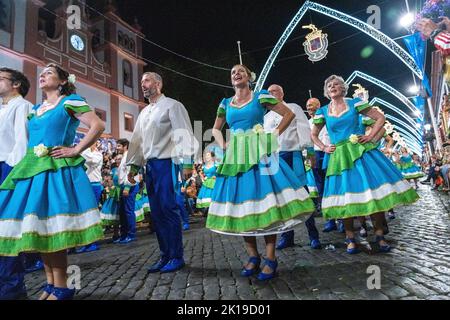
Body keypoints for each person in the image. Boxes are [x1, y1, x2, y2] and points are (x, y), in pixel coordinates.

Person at [0, 63, 105, 300]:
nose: (42, 76)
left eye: (48, 73)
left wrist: (75, 149)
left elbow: (98, 125)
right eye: (41, 74)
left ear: (62, 81)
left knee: (54, 228)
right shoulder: (36, 109)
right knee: (41, 229)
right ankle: (50, 284)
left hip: (55, 170)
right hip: (31, 170)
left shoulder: (70, 101)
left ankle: (64, 286)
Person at [206, 64, 315, 281]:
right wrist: (223, 145)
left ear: (249, 77)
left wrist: (272, 135)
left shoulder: (261, 97)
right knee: (243, 205)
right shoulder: (225, 103)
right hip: (236, 156)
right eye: (233, 72)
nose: (236, 74)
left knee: (266, 204)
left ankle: (271, 258)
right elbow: (216, 128)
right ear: (231, 80)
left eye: (240, 71)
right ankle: (253, 256)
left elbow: (289, 114)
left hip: (259, 153)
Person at [311, 75, 419, 254]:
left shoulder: (354, 103)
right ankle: (350, 237)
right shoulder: (323, 111)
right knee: (346, 197)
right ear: (326, 91)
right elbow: (313, 134)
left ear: (343, 88)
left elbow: (379, 118)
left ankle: (379, 235)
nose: (333, 86)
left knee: (372, 194)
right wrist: (324, 147)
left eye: (336, 84)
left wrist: (370, 136)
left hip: (361, 153)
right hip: (339, 157)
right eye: (329, 85)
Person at [126, 72, 199, 273]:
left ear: (158, 83)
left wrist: (187, 163)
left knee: (168, 209)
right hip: (150, 166)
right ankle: (165, 255)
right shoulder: (143, 113)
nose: (143, 84)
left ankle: (176, 256)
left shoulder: (173, 106)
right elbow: (137, 141)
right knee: (156, 214)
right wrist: (133, 166)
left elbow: (184, 132)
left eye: (147, 80)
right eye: (141, 82)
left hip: (167, 163)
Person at [264, 84, 321, 250]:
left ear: (282, 93)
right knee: (282, 198)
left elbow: (304, 130)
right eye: (269, 92)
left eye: (274, 91)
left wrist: (310, 151)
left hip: (292, 155)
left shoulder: (293, 107)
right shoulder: (266, 117)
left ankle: (313, 235)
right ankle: (287, 236)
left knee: (302, 193)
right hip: (274, 158)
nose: (271, 94)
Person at [0, 67, 33, 300]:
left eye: (0, 78)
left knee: (8, 230)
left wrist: (12, 175)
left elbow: (22, 144)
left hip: (8, 170)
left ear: (16, 84)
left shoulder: (23, 106)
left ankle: (12, 288)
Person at [306, 98, 344, 233]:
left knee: (335, 185)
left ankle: (342, 219)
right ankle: (330, 220)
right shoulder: (307, 122)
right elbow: (309, 141)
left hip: (331, 153)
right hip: (316, 155)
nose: (309, 107)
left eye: (311, 105)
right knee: (321, 189)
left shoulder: (328, 116)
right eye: (307, 106)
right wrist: (310, 157)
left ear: (318, 106)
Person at [76, 141, 104, 253]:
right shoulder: (86, 152)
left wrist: (81, 149)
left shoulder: (98, 154)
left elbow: (91, 161)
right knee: (85, 215)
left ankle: (94, 243)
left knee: (92, 214)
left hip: (95, 185)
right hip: (85, 185)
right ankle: (87, 242)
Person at [114, 138, 140, 244]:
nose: (117, 148)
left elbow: (131, 172)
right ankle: (124, 235)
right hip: (123, 186)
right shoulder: (124, 156)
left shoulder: (129, 156)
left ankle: (131, 234)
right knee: (123, 212)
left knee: (128, 211)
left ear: (125, 146)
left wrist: (127, 187)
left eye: (119, 146)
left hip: (130, 186)